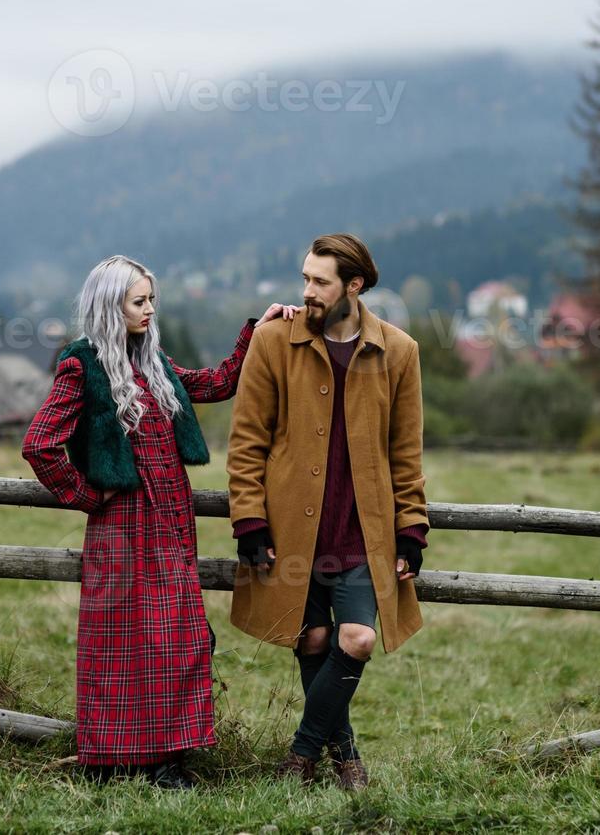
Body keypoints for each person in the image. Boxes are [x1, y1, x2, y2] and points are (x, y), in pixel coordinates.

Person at [22, 254, 296, 789]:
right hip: (122, 523)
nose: (149, 310)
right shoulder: (83, 364)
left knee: (177, 639)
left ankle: (166, 759)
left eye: (152, 300)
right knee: (119, 644)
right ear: (110, 305)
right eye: (138, 301)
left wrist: (255, 332)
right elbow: (40, 444)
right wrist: (88, 498)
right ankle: (113, 758)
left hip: (171, 517)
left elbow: (217, 384)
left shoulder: (153, 361)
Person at [226, 233, 429, 790]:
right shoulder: (272, 342)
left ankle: (301, 754)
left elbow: (406, 453)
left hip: (363, 532)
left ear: (353, 286)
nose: (308, 291)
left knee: (357, 638)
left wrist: (411, 527)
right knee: (312, 639)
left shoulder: (399, 351)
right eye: (305, 279)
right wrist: (249, 520)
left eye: (320, 281)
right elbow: (246, 442)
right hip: (293, 527)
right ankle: (346, 759)